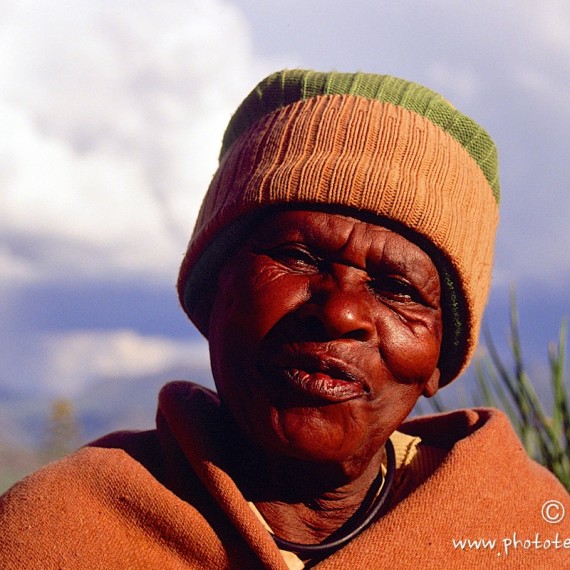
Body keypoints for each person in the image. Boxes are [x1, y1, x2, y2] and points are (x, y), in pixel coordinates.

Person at [1, 69, 568, 569]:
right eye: (298, 258)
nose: (341, 313)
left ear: (439, 360)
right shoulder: (54, 531)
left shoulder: (528, 535)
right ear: (211, 290)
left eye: (398, 290)